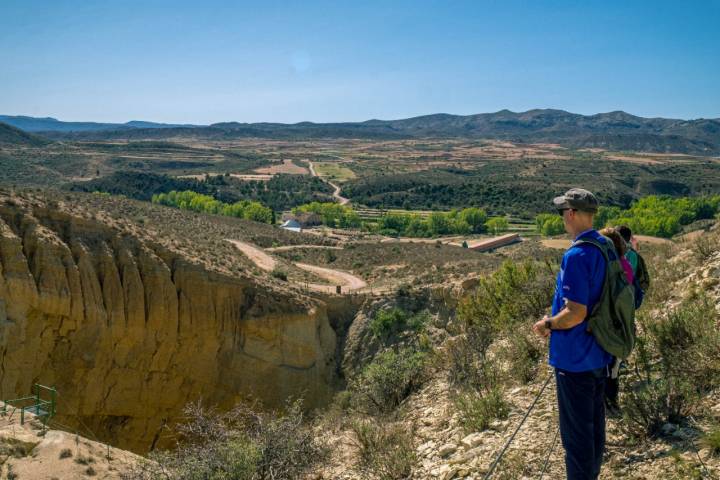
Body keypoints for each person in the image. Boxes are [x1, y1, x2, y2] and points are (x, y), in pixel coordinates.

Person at [533, 188, 612, 480]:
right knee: (593, 434)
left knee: (577, 440)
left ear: (573, 214)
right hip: (599, 353)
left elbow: (576, 313)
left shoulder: (577, 255)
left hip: (574, 360)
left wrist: (548, 324)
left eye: (564, 212)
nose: (563, 218)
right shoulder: (605, 247)